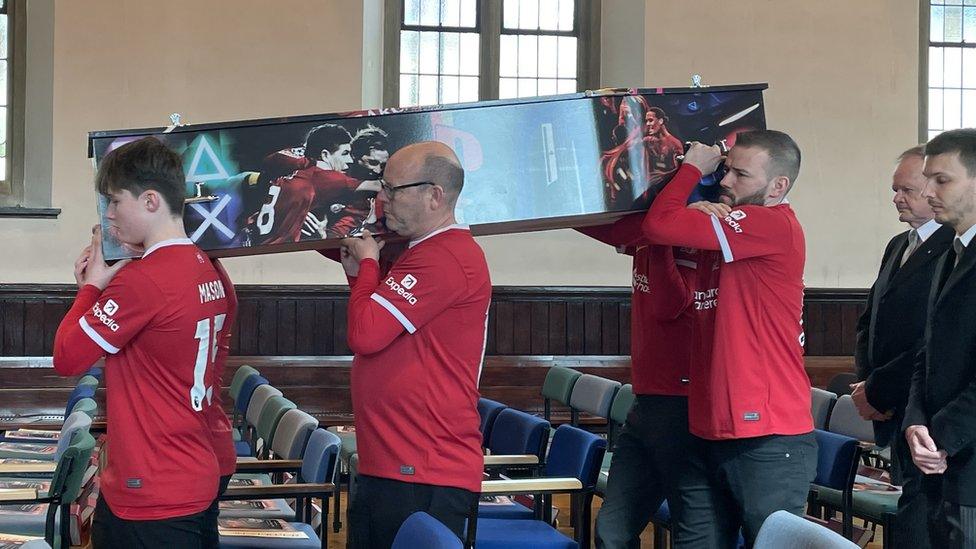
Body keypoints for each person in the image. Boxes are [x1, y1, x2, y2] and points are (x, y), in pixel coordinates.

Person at [642, 130, 816, 548]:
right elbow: (648, 231)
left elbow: (660, 224)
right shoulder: (725, 227)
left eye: (741, 174)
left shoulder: (770, 224)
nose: (724, 181)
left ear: (778, 187)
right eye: (724, 169)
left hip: (767, 434)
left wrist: (689, 172)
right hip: (709, 425)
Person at [52, 137, 228, 548]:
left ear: (150, 201)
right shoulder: (205, 265)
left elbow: (67, 356)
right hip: (192, 471)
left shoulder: (144, 279)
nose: (109, 215)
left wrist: (91, 287)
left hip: (151, 486)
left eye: (114, 202)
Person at [337, 141, 490, 548]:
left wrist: (369, 263)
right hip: (392, 462)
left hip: (423, 469)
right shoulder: (420, 252)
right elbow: (384, 327)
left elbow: (365, 335)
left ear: (434, 195)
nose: (382, 200)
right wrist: (359, 276)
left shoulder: (445, 257)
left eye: (393, 189)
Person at [578, 214, 718, 549]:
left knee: (694, 535)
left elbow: (669, 304)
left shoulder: (697, 233)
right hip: (646, 404)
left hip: (686, 405)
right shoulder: (649, 231)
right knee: (611, 532)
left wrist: (662, 229)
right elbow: (600, 223)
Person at [851, 145, 953, 548]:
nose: (897, 198)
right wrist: (865, 383)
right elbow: (869, 321)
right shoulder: (899, 244)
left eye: (906, 189)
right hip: (890, 405)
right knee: (909, 511)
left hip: (919, 404)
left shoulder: (952, 246)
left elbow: (927, 339)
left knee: (921, 518)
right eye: (895, 189)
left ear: (934, 188)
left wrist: (879, 390)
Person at [904, 128, 976, 548]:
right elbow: (927, 351)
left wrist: (940, 437)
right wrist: (915, 421)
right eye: (927, 178)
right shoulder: (951, 250)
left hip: (966, 463)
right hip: (938, 459)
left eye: (942, 180)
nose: (928, 190)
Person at [245, 123, 359, 244]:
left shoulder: (301, 176)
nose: (350, 161)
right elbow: (270, 160)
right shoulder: (307, 182)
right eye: (345, 153)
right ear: (325, 155)